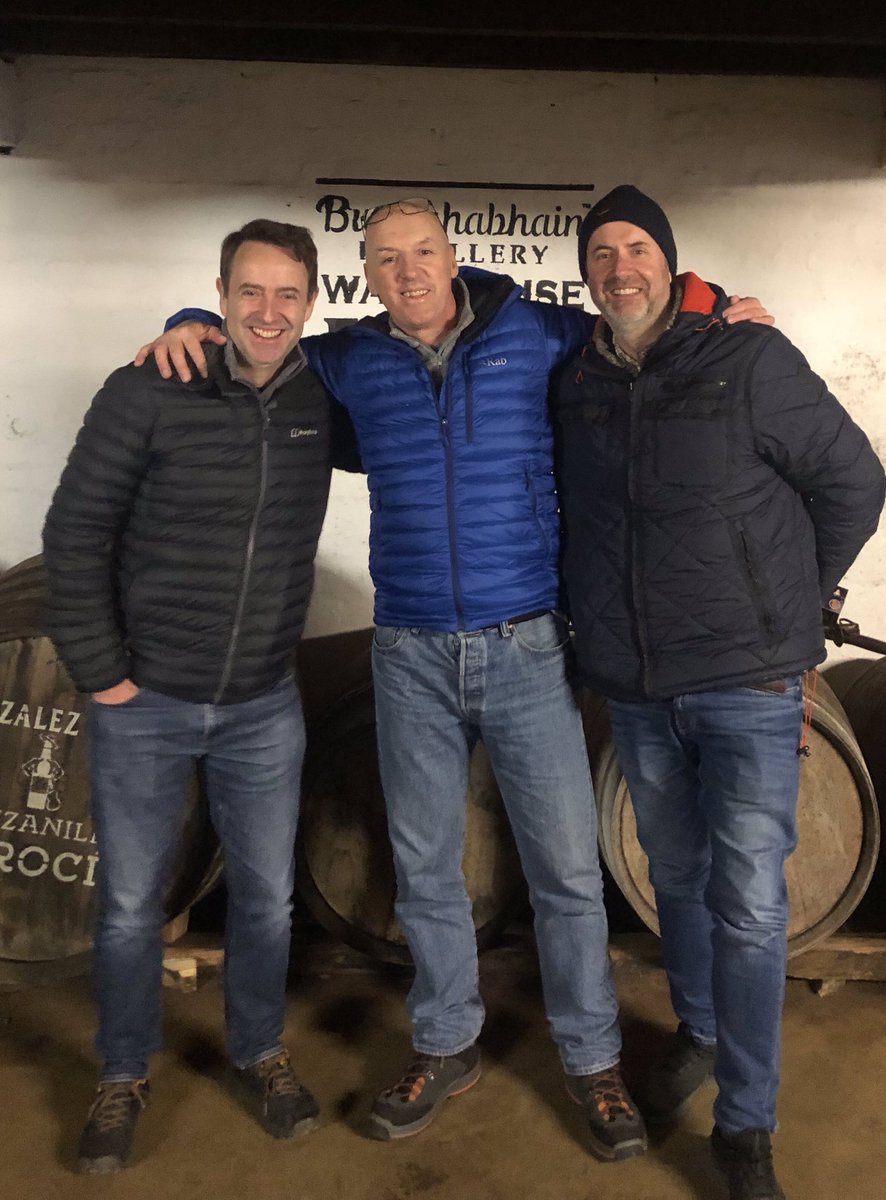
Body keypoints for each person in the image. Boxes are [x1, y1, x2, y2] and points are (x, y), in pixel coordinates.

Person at [140, 198, 768, 1161]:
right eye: (385, 259)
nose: (408, 271)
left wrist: (719, 304)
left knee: (564, 873)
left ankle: (593, 1060)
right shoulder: (351, 361)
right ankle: (446, 1043)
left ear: (452, 254)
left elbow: (638, 314)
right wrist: (192, 320)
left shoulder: (539, 329)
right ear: (367, 274)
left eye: (422, 251)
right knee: (427, 869)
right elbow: (257, 343)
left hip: (526, 647)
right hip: (410, 653)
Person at [551, 185, 886, 1199]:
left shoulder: (745, 355)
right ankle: (696, 1029)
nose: (619, 268)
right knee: (678, 876)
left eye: (635, 249)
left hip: (745, 681)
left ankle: (745, 1121)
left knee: (746, 904)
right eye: (600, 253)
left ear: (668, 259)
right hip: (641, 687)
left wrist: (789, 610)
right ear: (585, 275)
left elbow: (853, 483)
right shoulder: (577, 376)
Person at [42, 219, 359, 1173]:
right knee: (135, 904)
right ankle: (122, 1071)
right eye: (249, 292)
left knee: (267, 903)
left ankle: (260, 1052)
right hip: (148, 701)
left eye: (288, 295)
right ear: (219, 297)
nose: (269, 312)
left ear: (311, 304)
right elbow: (74, 536)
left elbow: (434, 367)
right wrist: (106, 674)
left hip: (263, 703)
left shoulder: (321, 402)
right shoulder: (150, 388)